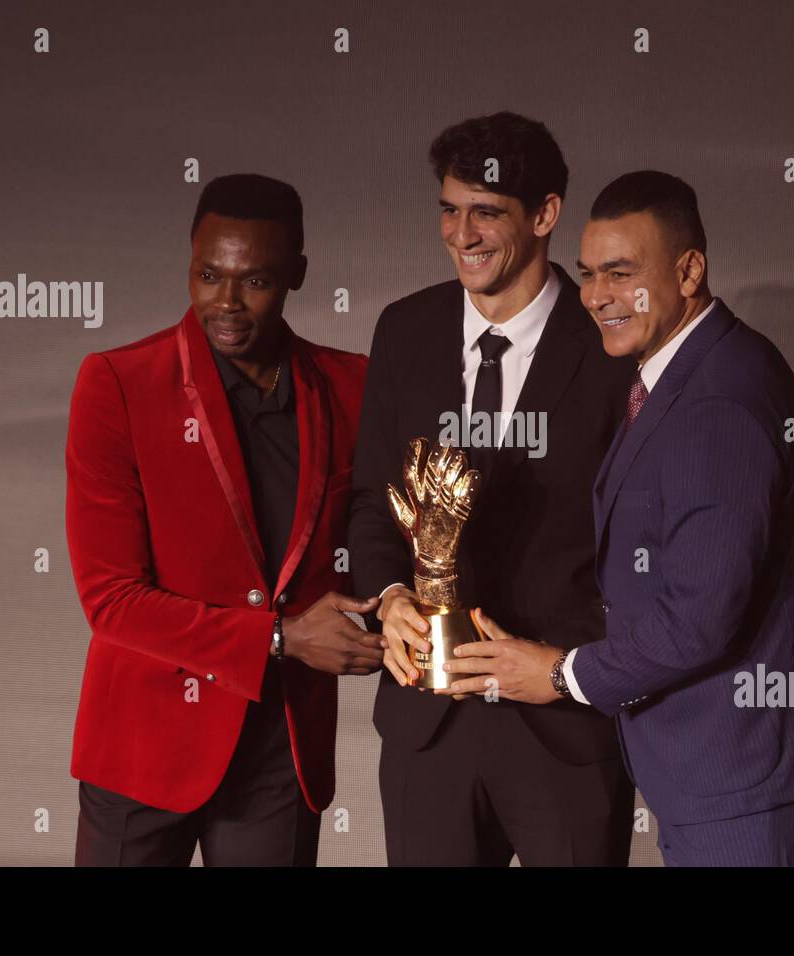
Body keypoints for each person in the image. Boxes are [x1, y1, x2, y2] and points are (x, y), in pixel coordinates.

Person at [441, 170, 794, 866]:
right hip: (724, 769)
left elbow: (701, 616)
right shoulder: (680, 372)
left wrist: (561, 674)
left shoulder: (719, 401)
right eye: (589, 273)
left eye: (621, 274)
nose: (595, 297)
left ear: (688, 271)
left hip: (750, 779)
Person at [66, 173, 382, 866]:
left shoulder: (354, 387)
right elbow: (112, 601)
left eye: (256, 281)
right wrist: (280, 638)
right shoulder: (117, 385)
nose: (227, 303)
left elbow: (382, 534)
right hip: (142, 750)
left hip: (281, 751)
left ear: (298, 274)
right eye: (209, 275)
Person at [348, 113, 636, 865]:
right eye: (449, 208)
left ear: (545, 214)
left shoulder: (611, 347)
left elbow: (646, 537)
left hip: (563, 724)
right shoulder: (403, 331)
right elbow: (371, 501)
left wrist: (578, 668)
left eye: (486, 212)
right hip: (428, 723)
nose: (461, 234)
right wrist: (389, 599)